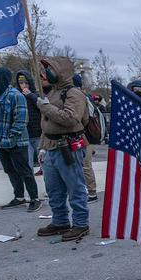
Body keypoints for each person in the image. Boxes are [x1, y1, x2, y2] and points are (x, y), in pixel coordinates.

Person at [33, 57, 90, 241]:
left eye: (48, 69)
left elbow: (70, 119)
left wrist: (46, 107)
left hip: (69, 147)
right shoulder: (51, 93)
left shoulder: (74, 94)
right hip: (51, 148)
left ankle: (81, 223)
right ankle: (60, 221)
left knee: (75, 188)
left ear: (60, 71)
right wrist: (42, 147)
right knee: (54, 190)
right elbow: (46, 125)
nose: (45, 73)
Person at [0, 67, 41, 212]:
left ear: (1, 76)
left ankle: (35, 198)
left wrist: (12, 135)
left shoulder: (15, 95)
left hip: (16, 142)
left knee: (24, 170)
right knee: (10, 170)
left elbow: (21, 119)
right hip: (0, 141)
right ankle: (19, 197)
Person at [72, 74, 99, 203]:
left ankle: (92, 192)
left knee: (85, 165)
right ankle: (86, 190)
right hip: (83, 136)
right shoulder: (82, 96)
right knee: (81, 164)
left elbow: (84, 118)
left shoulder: (80, 97)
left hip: (85, 135)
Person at [15, 70, 42, 173]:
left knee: (43, 160)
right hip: (25, 134)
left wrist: (31, 95)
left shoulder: (35, 94)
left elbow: (42, 106)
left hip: (38, 133)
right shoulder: (17, 96)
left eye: (26, 83)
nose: (24, 86)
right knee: (27, 162)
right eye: (21, 83)